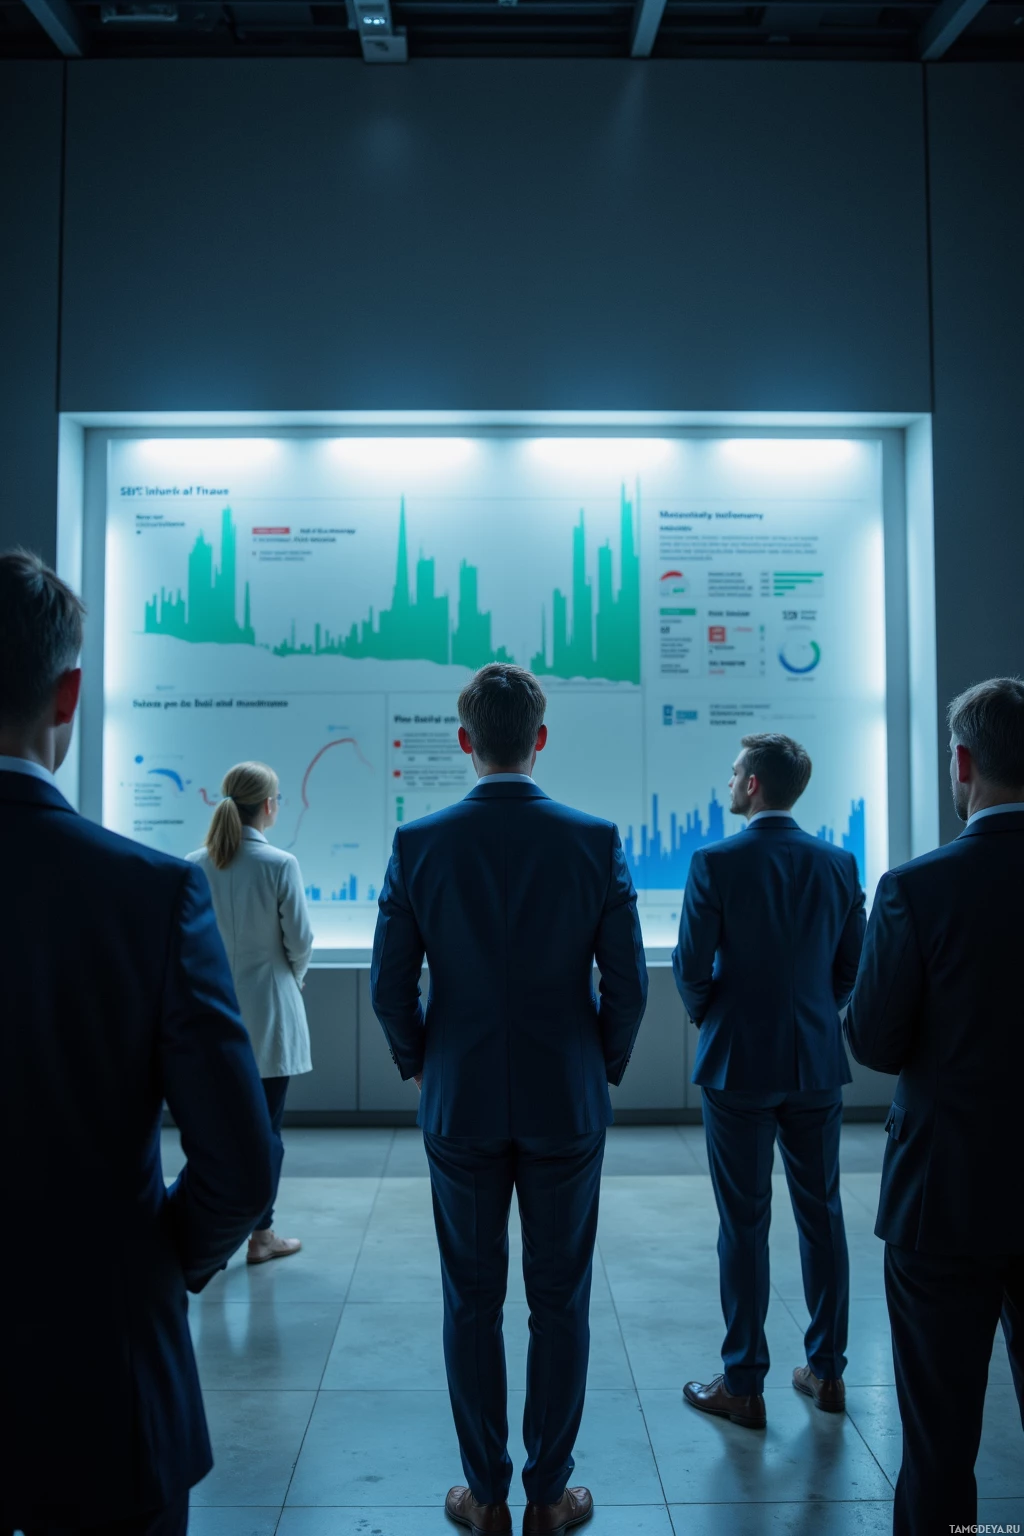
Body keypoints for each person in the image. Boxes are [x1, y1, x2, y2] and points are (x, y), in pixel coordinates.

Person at [0, 551, 274, 1536]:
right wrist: (155, 1258)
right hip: (101, 1388)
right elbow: (241, 1165)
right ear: (70, 693)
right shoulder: (145, 894)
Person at [370, 663, 648, 1536]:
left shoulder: (418, 844)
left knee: (471, 1299)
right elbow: (629, 986)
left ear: (464, 742)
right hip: (565, 1098)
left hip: (460, 1103)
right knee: (559, 1300)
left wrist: (421, 1062)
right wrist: (596, 1062)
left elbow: (388, 987)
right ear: (540, 738)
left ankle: (485, 1496)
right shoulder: (594, 840)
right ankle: (547, 1497)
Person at [845, 677, 1024, 1536]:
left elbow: (875, 1043)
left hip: (943, 1201)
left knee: (939, 1444)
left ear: (963, 763)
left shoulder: (917, 888)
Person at [673, 733, 865, 1429]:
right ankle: (829, 1372)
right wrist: (813, 1015)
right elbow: (850, 969)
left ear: (752, 785)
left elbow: (691, 967)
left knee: (744, 1223)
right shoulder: (839, 863)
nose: (727, 782)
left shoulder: (715, 861)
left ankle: (743, 1382)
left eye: (732, 773)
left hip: (737, 1064)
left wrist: (717, 1019)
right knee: (824, 1216)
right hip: (814, 1061)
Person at [188, 761, 315, 1265]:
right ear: (268, 805)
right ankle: (261, 1236)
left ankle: (212, 1237)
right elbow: (300, 942)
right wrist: (293, 979)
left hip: (211, 1015)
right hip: (270, 1016)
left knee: (215, 1132)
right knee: (266, 1133)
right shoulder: (280, 864)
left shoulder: (194, 863)